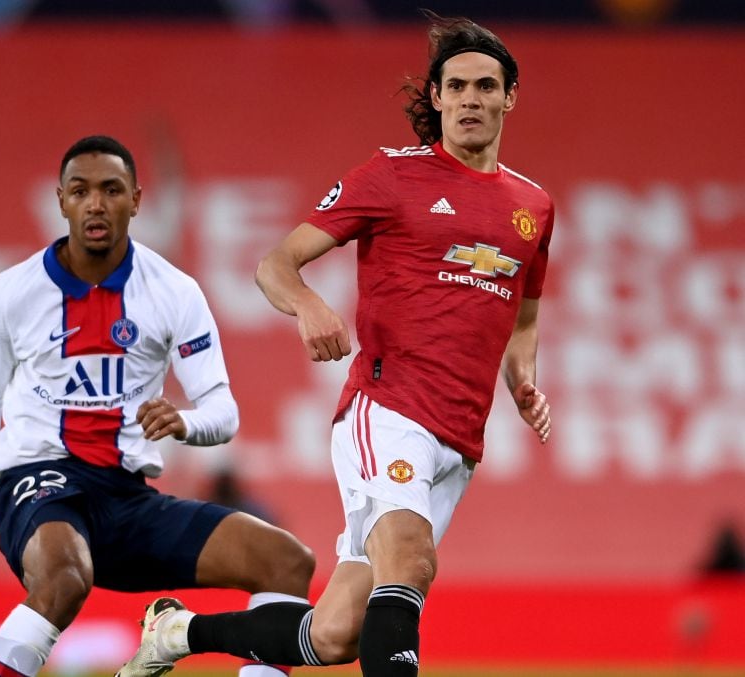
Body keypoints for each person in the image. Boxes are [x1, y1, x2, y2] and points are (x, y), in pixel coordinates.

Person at [117, 12, 552, 677]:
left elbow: (523, 314)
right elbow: (275, 263)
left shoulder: (533, 206)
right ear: (435, 98)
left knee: (339, 629)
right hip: (388, 410)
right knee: (410, 558)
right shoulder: (390, 177)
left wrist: (523, 380)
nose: (471, 99)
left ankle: (177, 631)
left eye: (486, 87)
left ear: (510, 97)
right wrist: (310, 304)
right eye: (457, 86)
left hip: (461, 438)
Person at [0, 135, 315, 677]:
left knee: (287, 561)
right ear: (61, 201)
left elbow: (223, 411)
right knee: (64, 579)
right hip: (39, 480)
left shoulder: (173, 291)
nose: (96, 203)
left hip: (124, 498)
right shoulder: (14, 292)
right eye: (81, 191)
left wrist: (185, 422)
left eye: (110, 189)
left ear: (137, 200)